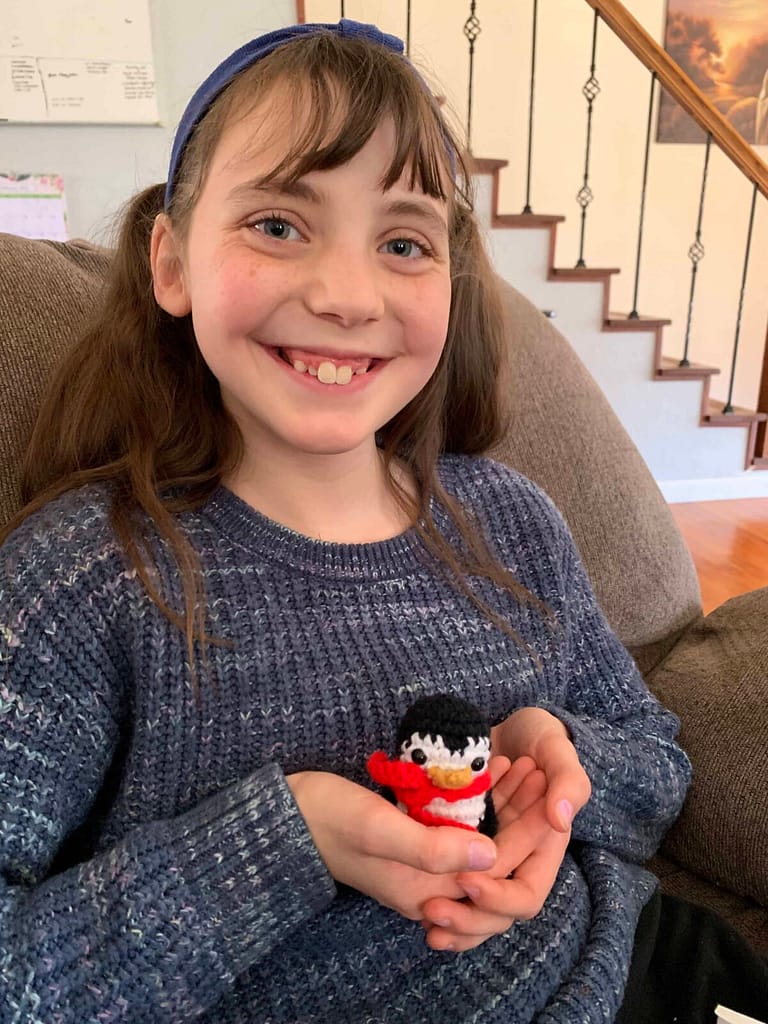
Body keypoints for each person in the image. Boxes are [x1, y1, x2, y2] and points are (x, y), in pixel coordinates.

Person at [0, 18, 766, 1024]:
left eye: (403, 242)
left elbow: (655, 764)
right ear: (172, 259)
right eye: (278, 224)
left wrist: (561, 765)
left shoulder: (511, 519)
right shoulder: (81, 579)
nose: (346, 294)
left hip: (642, 970)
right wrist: (289, 838)